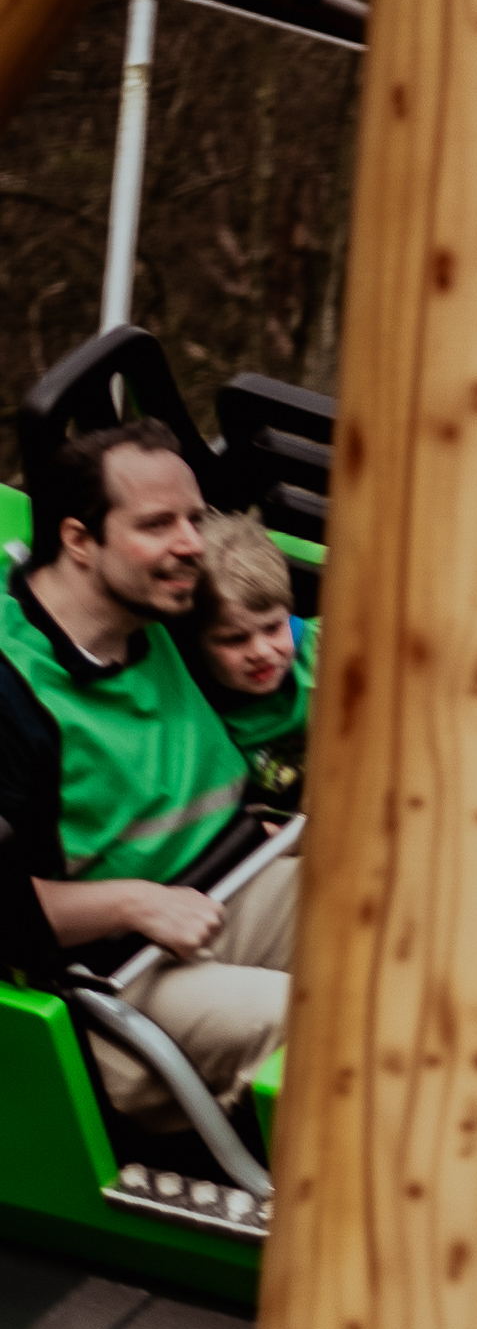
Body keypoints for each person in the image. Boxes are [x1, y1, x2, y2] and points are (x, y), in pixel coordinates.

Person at [0, 422, 294, 1115]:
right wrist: (135, 901)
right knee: (320, 1020)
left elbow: (290, 642)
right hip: (111, 976)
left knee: (412, 912)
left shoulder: (164, 608)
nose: (191, 544)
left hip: (234, 882)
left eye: (194, 519)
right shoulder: (15, 694)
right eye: (158, 524)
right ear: (79, 540)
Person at [186, 514, 313, 811]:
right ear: (196, 642)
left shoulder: (325, 652)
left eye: (273, 628)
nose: (261, 651)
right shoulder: (199, 712)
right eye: (234, 639)